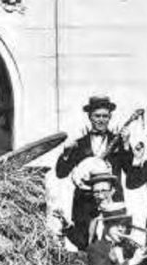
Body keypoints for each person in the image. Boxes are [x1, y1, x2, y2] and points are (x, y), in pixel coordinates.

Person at [55, 95, 136, 250]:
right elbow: (61, 173)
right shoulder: (79, 144)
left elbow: (131, 173)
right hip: (84, 204)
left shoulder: (119, 141)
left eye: (105, 116)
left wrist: (126, 146)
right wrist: (66, 154)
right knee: (85, 245)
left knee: (117, 243)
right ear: (89, 117)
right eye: (97, 116)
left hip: (112, 202)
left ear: (110, 117)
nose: (101, 120)